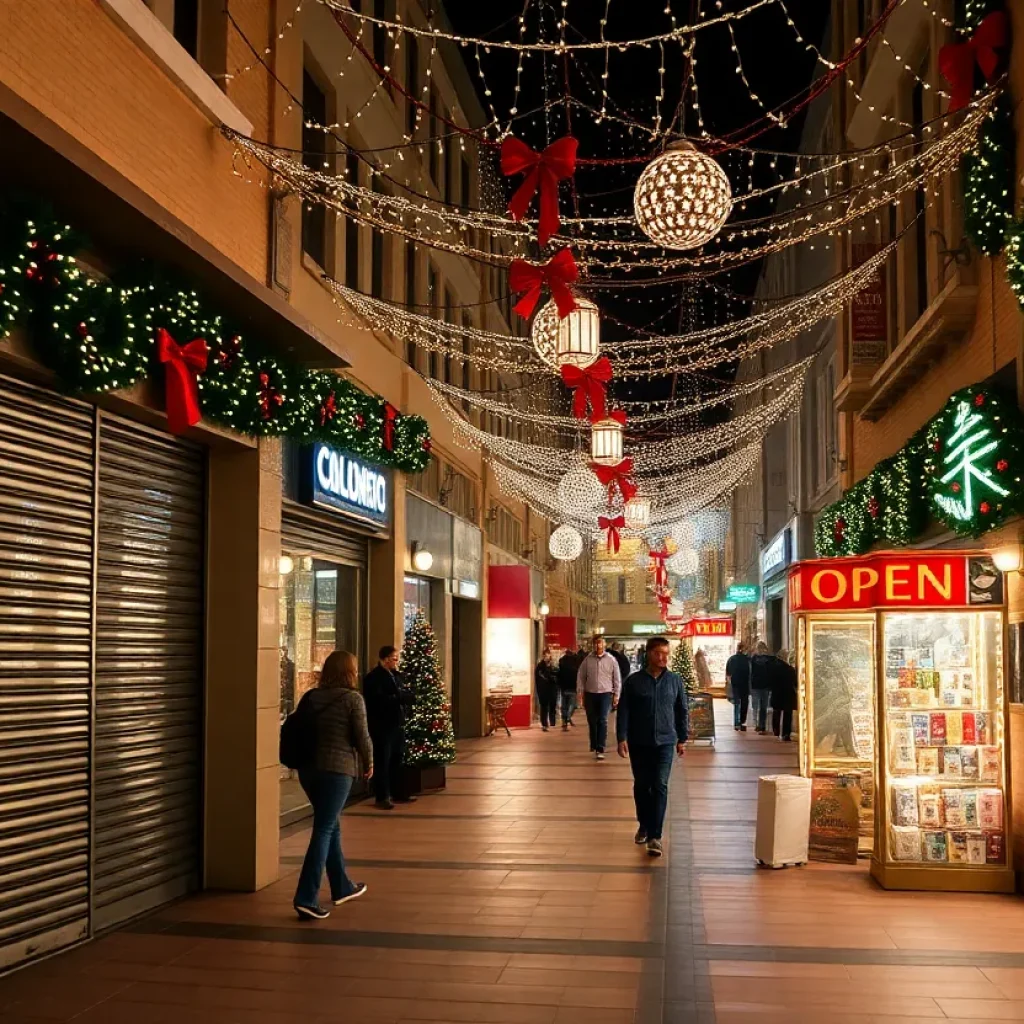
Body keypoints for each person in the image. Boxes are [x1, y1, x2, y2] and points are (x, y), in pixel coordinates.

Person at [293, 650, 371, 920]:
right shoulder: (353, 699)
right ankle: (306, 897)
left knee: (330, 824)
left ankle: (341, 887)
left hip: (308, 770)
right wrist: (369, 763)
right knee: (324, 828)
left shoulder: (311, 697)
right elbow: (362, 736)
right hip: (337, 772)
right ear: (349, 671)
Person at [616, 635, 688, 857]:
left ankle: (655, 836)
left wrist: (682, 738)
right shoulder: (634, 681)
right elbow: (624, 711)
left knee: (659, 785)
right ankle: (644, 825)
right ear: (648, 654)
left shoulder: (674, 680)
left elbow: (681, 710)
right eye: (658, 653)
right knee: (642, 785)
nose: (663, 658)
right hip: (639, 741)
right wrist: (621, 737)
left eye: (666, 654)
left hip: (666, 742)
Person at [363, 645, 416, 810]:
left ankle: (398, 793)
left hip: (397, 724)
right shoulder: (373, 678)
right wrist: (398, 698)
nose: (396, 662)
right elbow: (377, 701)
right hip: (383, 726)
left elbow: (404, 694)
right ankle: (382, 796)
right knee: (383, 761)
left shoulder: (396, 676)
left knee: (397, 759)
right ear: (385, 659)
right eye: (394, 658)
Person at [577, 635, 622, 760]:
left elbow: (617, 678)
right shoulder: (587, 660)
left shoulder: (611, 660)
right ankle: (594, 744)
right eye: (596, 643)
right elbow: (581, 676)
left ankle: (601, 747)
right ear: (593, 645)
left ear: (604, 645)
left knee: (602, 720)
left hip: (605, 694)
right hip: (590, 694)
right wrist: (580, 692)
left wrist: (616, 695)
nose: (598, 646)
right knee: (592, 720)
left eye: (600, 643)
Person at [769, 648, 798, 742]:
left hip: (777, 693)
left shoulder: (773, 668)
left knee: (776, 712)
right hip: (788, 694)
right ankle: (786, 734)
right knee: (787, 715)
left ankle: (776, 731)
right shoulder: (790, 669)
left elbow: (770, 681)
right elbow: (795, 683)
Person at [725, 642, 751, 732]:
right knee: (744, 704)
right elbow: (751, 673)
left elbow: (728, 674)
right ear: (744, 649)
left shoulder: (731, 659)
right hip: (745, 685)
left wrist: (730, 684)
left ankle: (736, 723)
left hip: (735, 684)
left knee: (736, 704)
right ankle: (742, 722)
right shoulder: (748, 659)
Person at [750, 641, 773, 734]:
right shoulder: (769, 660)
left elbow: (750, 672)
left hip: (755, 685)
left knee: (755, 706)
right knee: (763, 707)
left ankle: (756, 724)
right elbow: (771, 673)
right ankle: (762, 726)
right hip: (765, 685)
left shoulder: (753, 659)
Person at [535, 647, 560, 731]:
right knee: (544, 707)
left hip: (552, 689)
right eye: (545, 655)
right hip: (543, 690)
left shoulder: (553, 665)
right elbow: (539, 678)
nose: (546, 657)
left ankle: (552, 722)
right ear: (543, 656)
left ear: (550, 656)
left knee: (552, 705)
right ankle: (544, 724)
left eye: (548, 655)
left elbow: (557, 675)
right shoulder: (540, 666)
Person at [557, 647, 581, 730]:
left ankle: (565, 720)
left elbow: (559, 674)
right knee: (572, 705)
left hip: (564, 687)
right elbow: (579, 675)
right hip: (573, 687)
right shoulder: (576, 661)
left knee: (564, 705)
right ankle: (567, 717)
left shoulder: (561, 661)